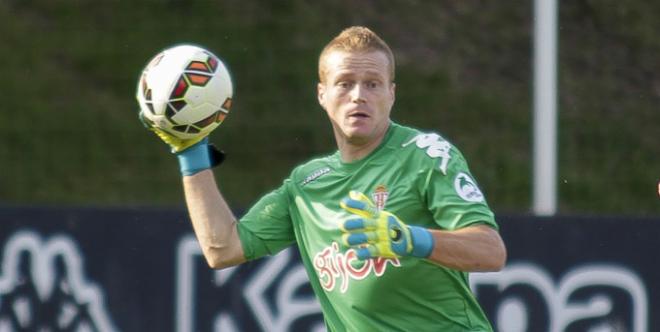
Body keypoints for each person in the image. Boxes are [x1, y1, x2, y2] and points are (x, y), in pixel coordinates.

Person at [142, 26, 507, 331]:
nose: (358, 96)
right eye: (345, 83)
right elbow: (223, 248)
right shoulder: (306, 185)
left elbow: (491, 251)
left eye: (373, 84)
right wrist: (191, 155)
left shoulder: (426, 156)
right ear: (322, 94)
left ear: (392, 94)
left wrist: (411, 239)